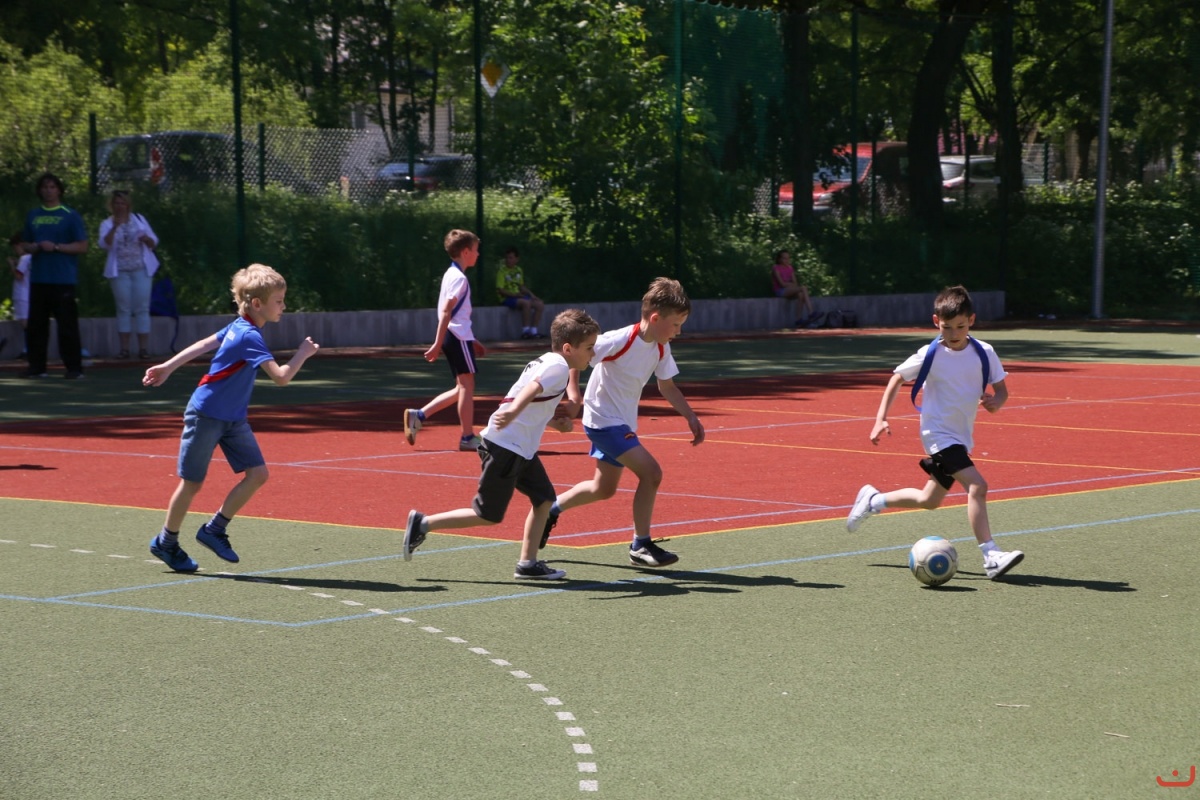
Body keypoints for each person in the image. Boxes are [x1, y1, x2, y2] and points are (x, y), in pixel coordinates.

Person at [142, 264, 320, 572]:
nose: (284, 306)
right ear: (257, 304)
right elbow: (281, 377)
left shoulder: (240, 326)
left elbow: (204, 344)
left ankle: (214, 529)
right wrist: (302, 353)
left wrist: (168, 366)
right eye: (279, 301)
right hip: (206, 415)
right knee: (192, 484)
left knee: (258, 474)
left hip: (233, 419)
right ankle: (166, 542)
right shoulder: (249, 335)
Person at [403, 309, 600, 579]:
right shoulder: (558, 367)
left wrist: (556, 424)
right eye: (589, 347)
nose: (593, 353)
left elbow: (532, 403)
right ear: (568, 348)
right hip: (507, 447)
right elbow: (531, 390)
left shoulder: (547, 361)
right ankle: (422, 524)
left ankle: (528, 564)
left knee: (544, 500)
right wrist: (513, 412)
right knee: (487, 514)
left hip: (519, 448)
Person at [845, 284, 1024, 580]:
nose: (954, 333)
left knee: (929, 500)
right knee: (978, 486)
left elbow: (1002, 391)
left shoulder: (985, 352)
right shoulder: (930, 354)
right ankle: (991, 555)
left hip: (960, 438)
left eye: (960, 326)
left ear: (972, 321)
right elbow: (896, 378)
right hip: (938, 435)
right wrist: (880, 419)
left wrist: (997, 402)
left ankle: (873, 500)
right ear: (935, 322)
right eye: (946, 327)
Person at [540, 277, 706, 567]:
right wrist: (574, 395)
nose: (679, 331)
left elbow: (667, 386)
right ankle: (640, 545)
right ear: (655, 319)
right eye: (676, 325)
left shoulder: (660, 348)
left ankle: (550, 510)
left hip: (622, 423)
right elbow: (575, 355)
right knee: (652, 473)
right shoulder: (620, 340)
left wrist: (690, 415)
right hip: (603, 421)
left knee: (603, 488)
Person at [404, 229, 488, 452]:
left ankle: (419, 415)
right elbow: (447, 312)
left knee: (462, 387)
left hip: (458, 336)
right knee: (467, 386)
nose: (478, 254)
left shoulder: (451, 274)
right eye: (476, 250)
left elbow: (455, 314)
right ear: (466, 251)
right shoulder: (459, 278)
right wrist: (437, 343)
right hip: (457, 336)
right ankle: (467, 437)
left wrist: (472, 339)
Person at [18, 173, 88, 379]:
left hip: (63, 279)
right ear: (40, 191)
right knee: (36, 326)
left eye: (52, 187)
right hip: (39, 279)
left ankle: (74, 368)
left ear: (59, 190)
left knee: (67, 325)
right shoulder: (33, 215)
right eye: (45, 187)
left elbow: (82, 246)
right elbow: (24, 244)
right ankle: (37, 367)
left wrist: (56, 247)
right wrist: (32, 247)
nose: (48, 191)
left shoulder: (70, 215)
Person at [98, 190, 160, 359]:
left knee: (142, 307)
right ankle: (124, 349)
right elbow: (104, 244)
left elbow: (153, 242)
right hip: (119, 271)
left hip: (141, 268)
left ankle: (143, 349)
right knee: (123, 308)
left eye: (123, 203)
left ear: (128, 205)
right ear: (112, 205)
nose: (120, 206)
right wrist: (115, 227)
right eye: (116, 203)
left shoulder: (139, 220)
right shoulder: (107, 223)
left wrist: (145, 239)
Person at [496, 246, 545, 339]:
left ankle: (534, 331)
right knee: (526, 303)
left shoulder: (518, 270)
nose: (508, 260)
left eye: (511, 258)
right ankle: (525, 331)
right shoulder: (501, 272)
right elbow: (500, 290)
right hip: (507, 298)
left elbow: (521, 286)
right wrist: (515, 295)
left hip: (519, 297)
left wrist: (532, 295)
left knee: (540, 304)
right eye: (507, 258)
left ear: (517, 259)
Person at [770, 249, 815, 328]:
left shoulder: (790, 268)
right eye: (784, 258)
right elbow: (782, 284)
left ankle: (798, 319)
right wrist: (790, 284)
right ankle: (811, 312)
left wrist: (788, 284)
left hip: (789, 290)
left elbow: (795, 283)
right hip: (780, 291)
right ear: (779, 259)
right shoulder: (776, 268)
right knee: (803, 288)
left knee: (800, 294)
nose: (787, 260)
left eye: (788, 258)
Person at [7, 232, 30, 359]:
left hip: (22, 294)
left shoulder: (24, 258)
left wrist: (12, 264)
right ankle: (28, 348)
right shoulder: (31, 258)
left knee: (25, 323)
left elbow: (18, 276)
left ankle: (29, 349)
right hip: (28, 293)